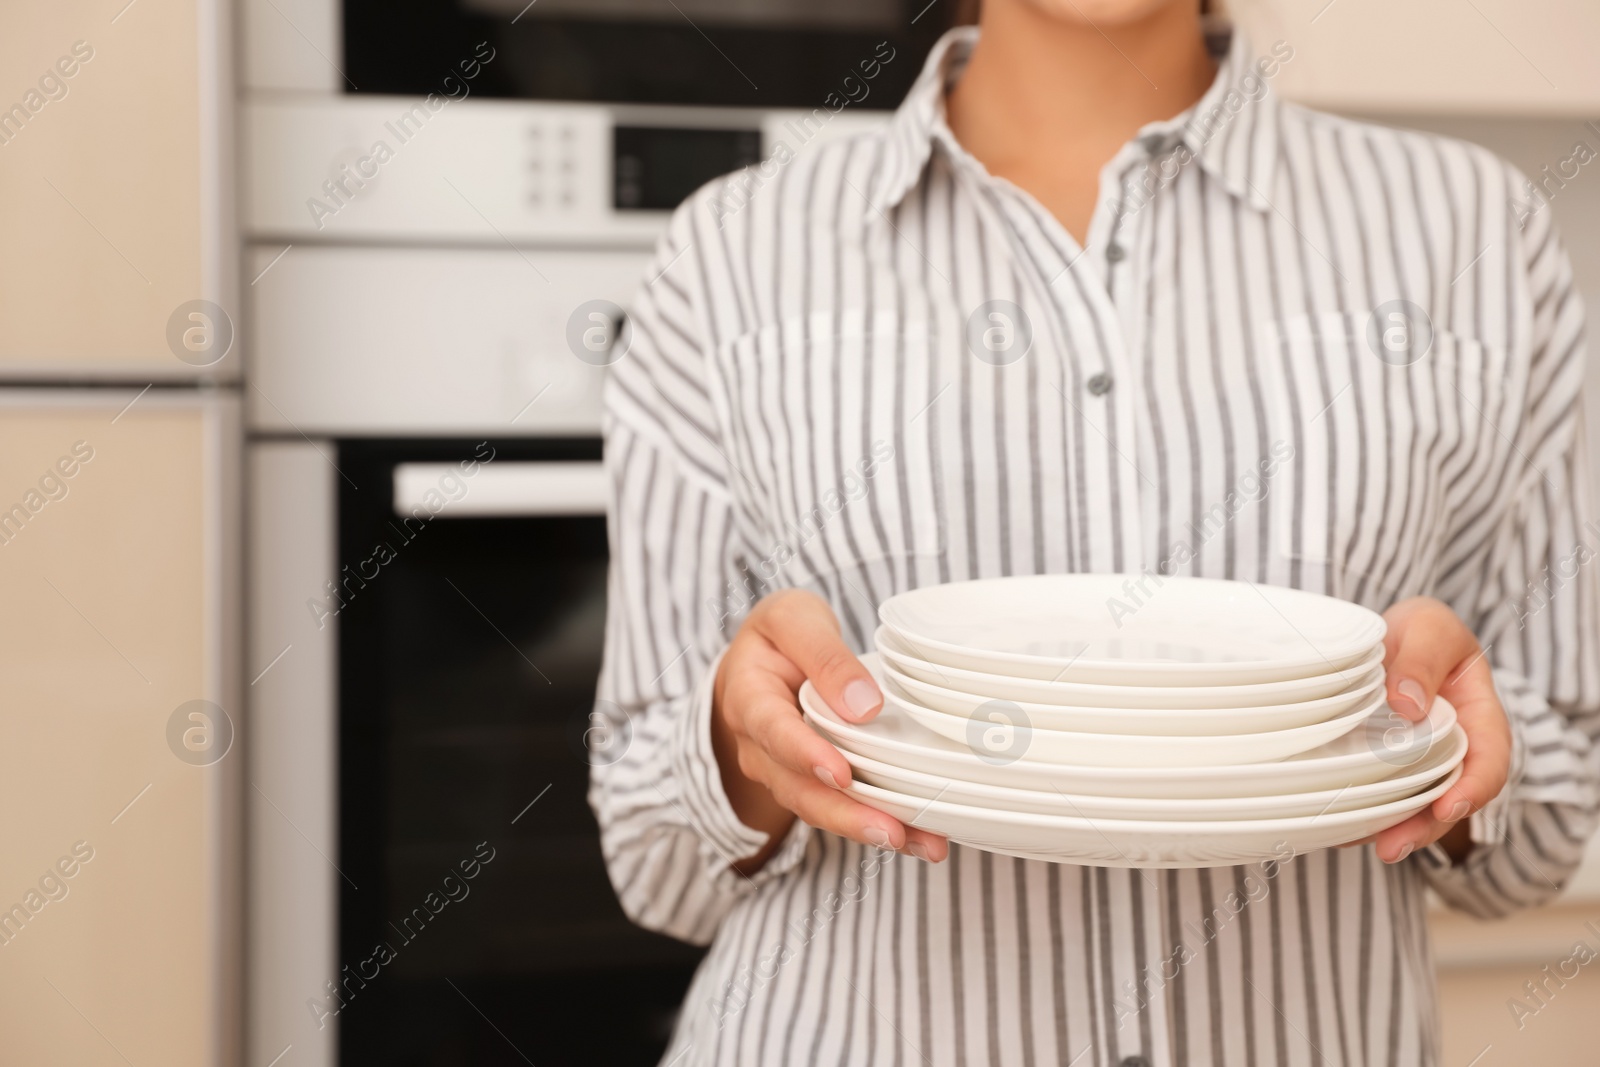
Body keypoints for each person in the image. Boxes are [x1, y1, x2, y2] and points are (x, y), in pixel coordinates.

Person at [590, 0, 1600, 1063]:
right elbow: (653, 859)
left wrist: (1457, 754)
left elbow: (1539, 833)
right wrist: (744, 750)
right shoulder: (733, 248)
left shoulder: (1476, 232)